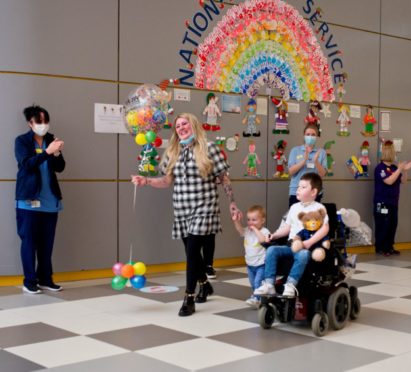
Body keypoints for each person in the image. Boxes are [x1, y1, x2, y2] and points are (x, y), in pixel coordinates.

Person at [131, 113, 242, 317]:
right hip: (181, 208)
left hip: (204, 206)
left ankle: (189, 297)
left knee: (192, 252)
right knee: (191, 252)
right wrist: (146, 181)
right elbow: (166, 181)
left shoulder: (210, 149)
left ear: (194, 125)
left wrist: (232, 203)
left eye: (185, 124)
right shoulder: (173, 151)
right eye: (178, 126)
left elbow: (224, 179)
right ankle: (204, 284)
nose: (181, 127)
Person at [15, 105, 65, 294]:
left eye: (46, 121)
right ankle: (29, 281)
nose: (43, 125)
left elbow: (60, 167)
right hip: (28, 200)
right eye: (39, 121)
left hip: (50, 200)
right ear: (30, 123)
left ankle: (45, 279)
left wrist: (57, 152)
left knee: (47, 243)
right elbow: (26, 164)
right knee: (29, 241)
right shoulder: (22, 141)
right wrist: (47, 152)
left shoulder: (51, 139)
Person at [254, 173, 329, 297]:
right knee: (272, 250)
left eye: (303, 187)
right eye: (298, 186)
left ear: (313, 192)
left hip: (306, 247)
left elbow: (325, 229)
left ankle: (290, 284)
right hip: (290, 246)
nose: (298, 189)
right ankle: (269, 284)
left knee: (304, 254)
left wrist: (308, 243)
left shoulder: (319, 208)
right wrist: (274, 235)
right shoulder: (294, 207)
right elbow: (287, 228)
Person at [373, 141, 411, 257]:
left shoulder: (395, 167)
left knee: (392, 224)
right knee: (383, 225)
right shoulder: (380, 168)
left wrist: (404, 170)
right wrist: (399, 169)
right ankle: (381, 247)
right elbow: (389, 181)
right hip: (382, 202)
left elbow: (403, 181)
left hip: (393, 202)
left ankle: (389, 246)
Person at [232, 205, 270, 307]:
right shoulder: (247, 231)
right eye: (248, 220)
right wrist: (236, 221)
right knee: (253, 284)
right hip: (250, 264)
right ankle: (258, 298)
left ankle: (256, 298)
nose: (250, 222)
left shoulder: (264, 231)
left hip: (261, 264)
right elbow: (240, 230)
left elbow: (262, 240)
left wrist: (255, 230)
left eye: (254, 220)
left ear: (262, 220)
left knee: (258, 282)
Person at [287, 124, 327, 207]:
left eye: (313, 135)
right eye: (308, 134)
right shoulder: (295, 150)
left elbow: (322, 174)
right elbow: (291, 171)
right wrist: (304, 160)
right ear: (304, 136)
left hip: (314, 192)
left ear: (317, 137)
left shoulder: (321, 152)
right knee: (296, 218)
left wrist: (316, 161)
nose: (310, 137)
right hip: (297, 191)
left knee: (313, 219)